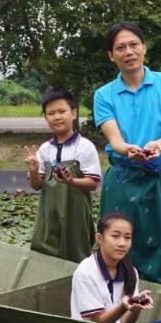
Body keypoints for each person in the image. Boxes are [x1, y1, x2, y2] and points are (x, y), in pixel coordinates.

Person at [93, 22, 161, 289]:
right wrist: (130, 150)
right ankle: (119, 305)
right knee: (119, 244)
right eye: (120, 47)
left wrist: (158, 145)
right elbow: (115, 140)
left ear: (144, 48)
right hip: (123, 180)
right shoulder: (104, 95)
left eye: (134, 45)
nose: (129, 52)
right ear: (111, 55)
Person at [71, 212, 161, 323]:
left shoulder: (130, 271)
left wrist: (135, 308)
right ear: (99, 238)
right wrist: (123, 306)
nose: (122, 243)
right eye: (115, 236)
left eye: (127, 237)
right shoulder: (86, 272)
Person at [25, 88, 101, 263]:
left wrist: (72, 181)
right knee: (43, 250)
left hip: (75, 211)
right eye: (51, 113)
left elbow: (93, 183)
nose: (57, 117)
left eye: (62, 111)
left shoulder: (84, 146)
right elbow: (36, 185)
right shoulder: (45, 149)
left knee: (76, 252)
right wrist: (34, 170)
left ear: (73, 113)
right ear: (45, 118)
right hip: (48, 211)